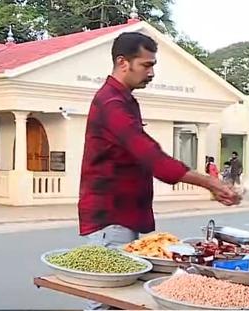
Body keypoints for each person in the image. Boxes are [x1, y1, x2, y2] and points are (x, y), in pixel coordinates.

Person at [77, 32, 240, 309]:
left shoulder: (125, 100)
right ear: (122, 62)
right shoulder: (111, 102)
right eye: (146, 65)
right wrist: (210, 183)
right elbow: (150, 156)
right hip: (110, 216)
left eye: (153, 65)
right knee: (111, 300)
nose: (152, 72)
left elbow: (145, 153)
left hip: (124, 213)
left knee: (121, 299)